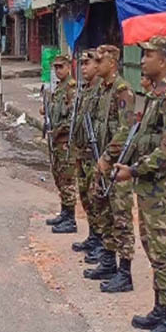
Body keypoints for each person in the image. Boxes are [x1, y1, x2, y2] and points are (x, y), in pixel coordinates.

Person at [113, 35, 166, 332]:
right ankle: (160, 310)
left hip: (160, 188)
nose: (142, 61)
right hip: (149, 188)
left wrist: (134, 170)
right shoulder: (155, 94)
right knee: (151, 249)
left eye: (148, 56)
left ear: (163, 60)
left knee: (165, 255)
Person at [83, 44, 136, 295]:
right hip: (100, 162)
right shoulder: (102, 90)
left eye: (101, 59)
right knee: (102, 211)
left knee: (121, 218)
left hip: (116, 164)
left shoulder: (122, 91)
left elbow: (125, 131)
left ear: (112, 63)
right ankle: (108, 261)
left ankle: (124, 273)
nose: (97, 63)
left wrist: (106, 157)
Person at [71, 49, 103, 253]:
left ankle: (100, 241)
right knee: (85, 197)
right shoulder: (84, 89)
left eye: (87, 64)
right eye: (81, 64)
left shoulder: (101, 91)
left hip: (95, 154)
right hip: (82, 152)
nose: (83, 67)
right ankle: (93, 236)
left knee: (96, 199)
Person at [41, 55, 78, 234]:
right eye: (55, 67)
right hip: (56, 142)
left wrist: (58, 131)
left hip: (65, 142)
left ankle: (70, 219)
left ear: (69, 67)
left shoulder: (71, 88)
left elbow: (72, 118)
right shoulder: (59, 89)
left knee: (67, 180)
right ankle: (64, 212)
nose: (58, 71)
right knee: (59, 177)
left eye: (61, 67)